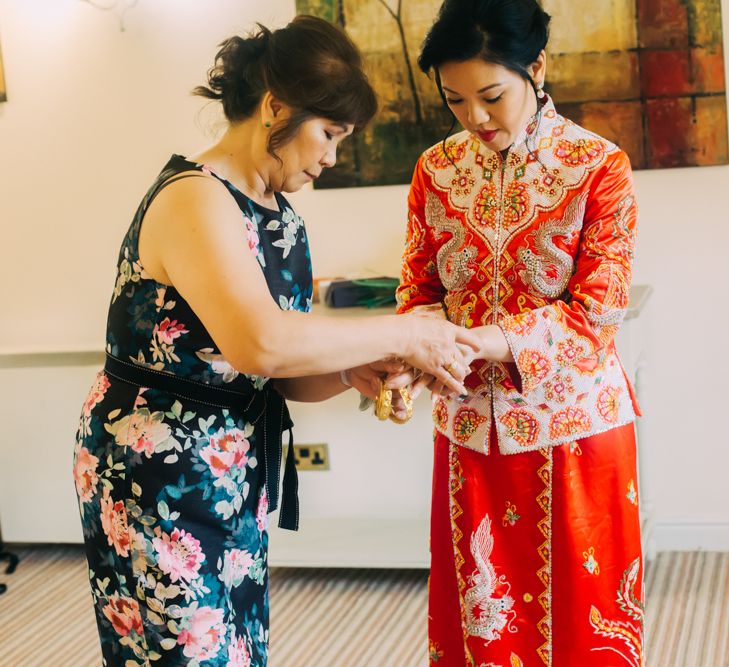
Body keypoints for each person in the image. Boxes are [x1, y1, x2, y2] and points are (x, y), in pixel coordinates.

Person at [72, 15, 480, 666]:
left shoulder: (281, 219)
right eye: (328, 133)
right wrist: (407, 327)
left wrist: (357, 369)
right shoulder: (193, 199)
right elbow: (261, 344)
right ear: (274, 107)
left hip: (234, 469)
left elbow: (282, 373)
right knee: (185, 653)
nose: (331, 156)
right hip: (158, 472)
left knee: (236, 649)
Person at [391, 0, 644, 663]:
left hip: (574, 430)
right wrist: (406, 361)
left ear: (535, 67)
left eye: (490, 95)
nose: (473, 117)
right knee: (482, 615)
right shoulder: (434, 171)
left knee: (580, 615)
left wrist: (485, 341)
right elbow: (417, 290)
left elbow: (597, 311)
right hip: (469, 427)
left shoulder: (597, 167)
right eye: (454, 100)